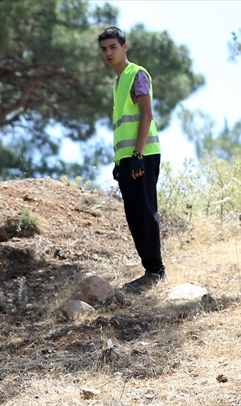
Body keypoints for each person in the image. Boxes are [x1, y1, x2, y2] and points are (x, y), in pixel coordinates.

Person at [99, 26, 165, 292]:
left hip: (143, 155)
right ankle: (150, 270)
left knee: (144, 211)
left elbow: (146, 115)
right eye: (104, 49)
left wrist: (137, 155)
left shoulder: (135, 74)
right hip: (129, 158)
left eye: (113, 47)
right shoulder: (118, 82)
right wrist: (120, 162)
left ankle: (155, 271)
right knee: (134, 214)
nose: (108, 52)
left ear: (124, 47)